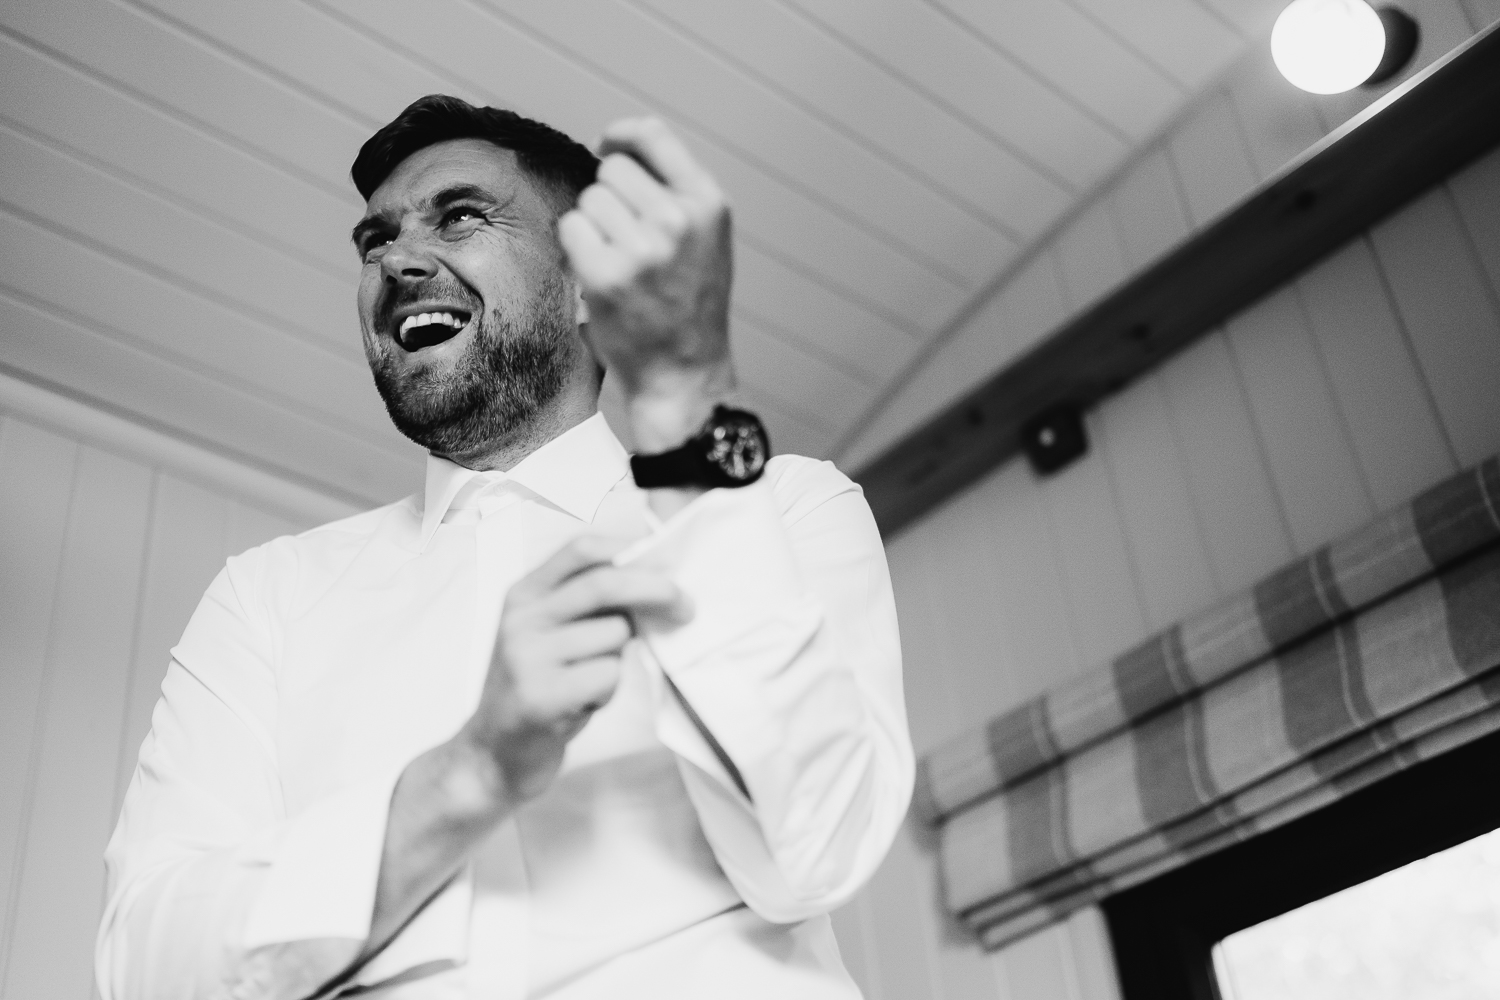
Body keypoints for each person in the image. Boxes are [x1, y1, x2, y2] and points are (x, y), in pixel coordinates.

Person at [95, 95, 912, 999]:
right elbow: (146, 968)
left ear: (587, 284)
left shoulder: (780, 512)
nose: (396, 261)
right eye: (375, 241)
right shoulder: (269, 596)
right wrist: (471, 772)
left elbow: (818, 852)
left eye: (460, 216)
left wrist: (685, 394)